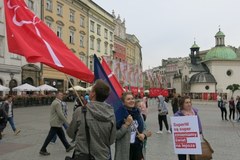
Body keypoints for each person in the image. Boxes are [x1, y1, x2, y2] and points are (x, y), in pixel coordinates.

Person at [67, 79, 116, 160]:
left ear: (93, 94)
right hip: (103, 156)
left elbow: (70, 133)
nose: (89, 92)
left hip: (83, 156)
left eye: (91, 90)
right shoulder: (111, 114)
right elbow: (111, 140)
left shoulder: (80, 111)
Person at [115, 92, 146, 160]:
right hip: (125, 152)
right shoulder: (119, 115)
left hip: (138, 149)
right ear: (123, 102)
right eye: (128, 99)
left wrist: (143, 135)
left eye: (132, 98)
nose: (131, 101)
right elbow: (116, 135)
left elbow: (144, 129)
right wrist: (126, 125)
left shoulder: (138, 113)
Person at [174, 96, 203, 160]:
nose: (189, 104)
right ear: (182, 104)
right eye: (186, 102)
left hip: (193, 141)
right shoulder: (178, 115)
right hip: (182, 142)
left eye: (190, 102)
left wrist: (199, 134)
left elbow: (199, 126)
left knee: (193, 158)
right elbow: (173, 127)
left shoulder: (195, 113)